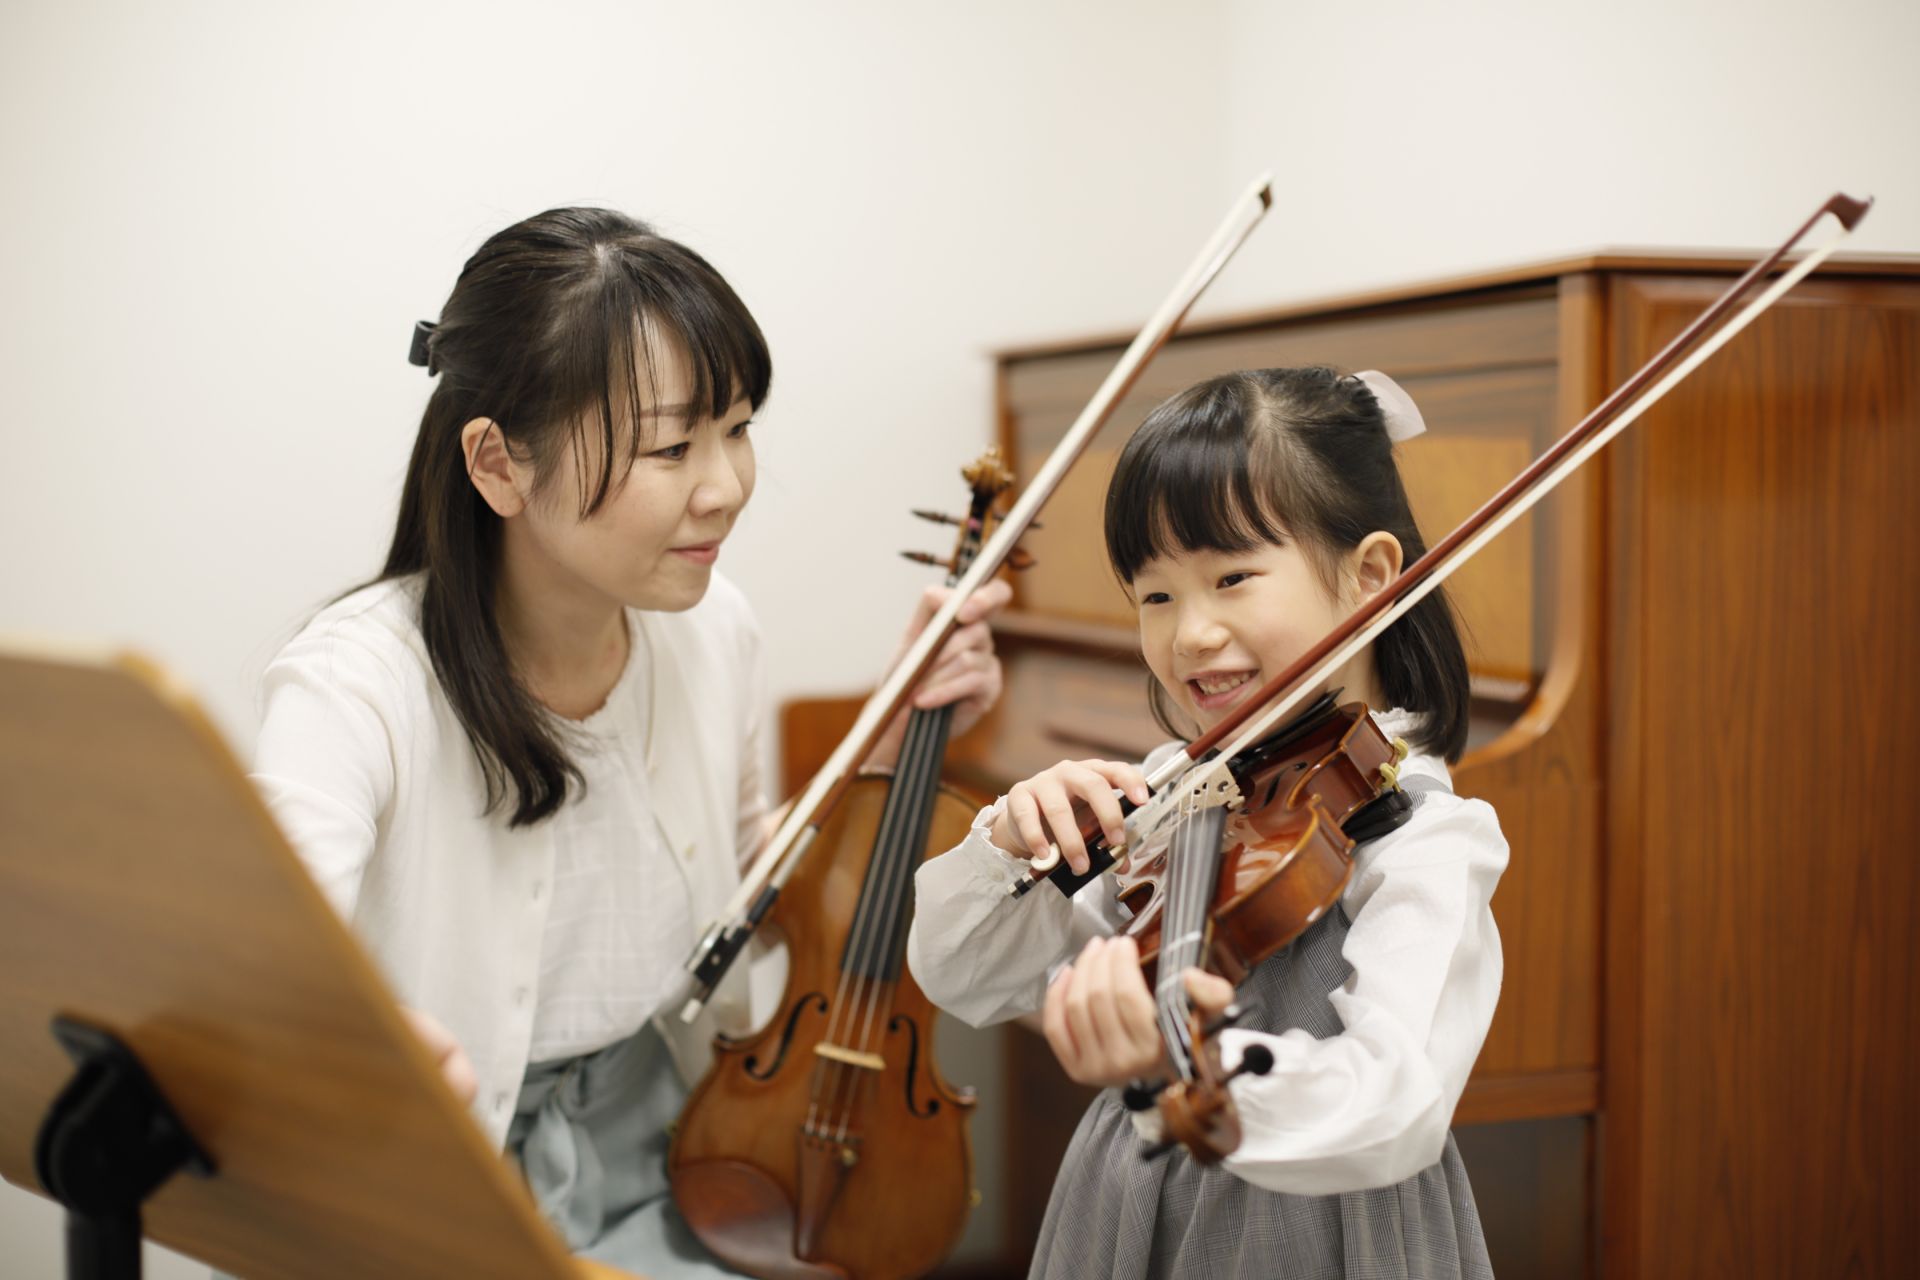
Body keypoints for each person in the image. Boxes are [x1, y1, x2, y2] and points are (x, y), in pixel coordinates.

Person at [250, 206, 1009, 1276]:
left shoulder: (713, 626)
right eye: (671, 444)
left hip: (674, 1142)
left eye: (738, 427)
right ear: (499, 464)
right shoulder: (356, 683)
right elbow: (266, 963)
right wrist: (335, 1035)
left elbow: (745, 881)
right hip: (448, 1172)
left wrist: (888, 733)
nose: (728, 485)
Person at [908, 366, 1505, 1278]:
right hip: (1122, 1209)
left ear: (1372, 577)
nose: (1189, 634)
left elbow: (1396, 1099)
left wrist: (1187, 1072)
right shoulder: (1179, 791)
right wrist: (1009, 845)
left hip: (1322, 1236)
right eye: (1155, 595)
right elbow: (971, 977)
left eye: (1232, 578)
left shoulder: (1421, 838)